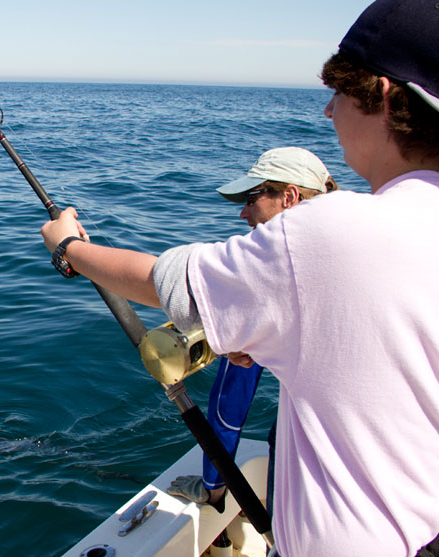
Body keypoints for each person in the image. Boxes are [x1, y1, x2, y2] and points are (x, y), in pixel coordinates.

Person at [40, 1, 439, 555]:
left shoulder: (331, 234)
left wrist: (70, 246)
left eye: (340, 93)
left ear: (384, 95)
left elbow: (164, 283)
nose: (328, 112)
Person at [165, 147, 339, 514]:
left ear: (289, 198)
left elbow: (230, 404)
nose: (243, 213)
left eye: (252, 198)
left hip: (326, 463)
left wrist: (213, 488)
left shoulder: (272, 278)